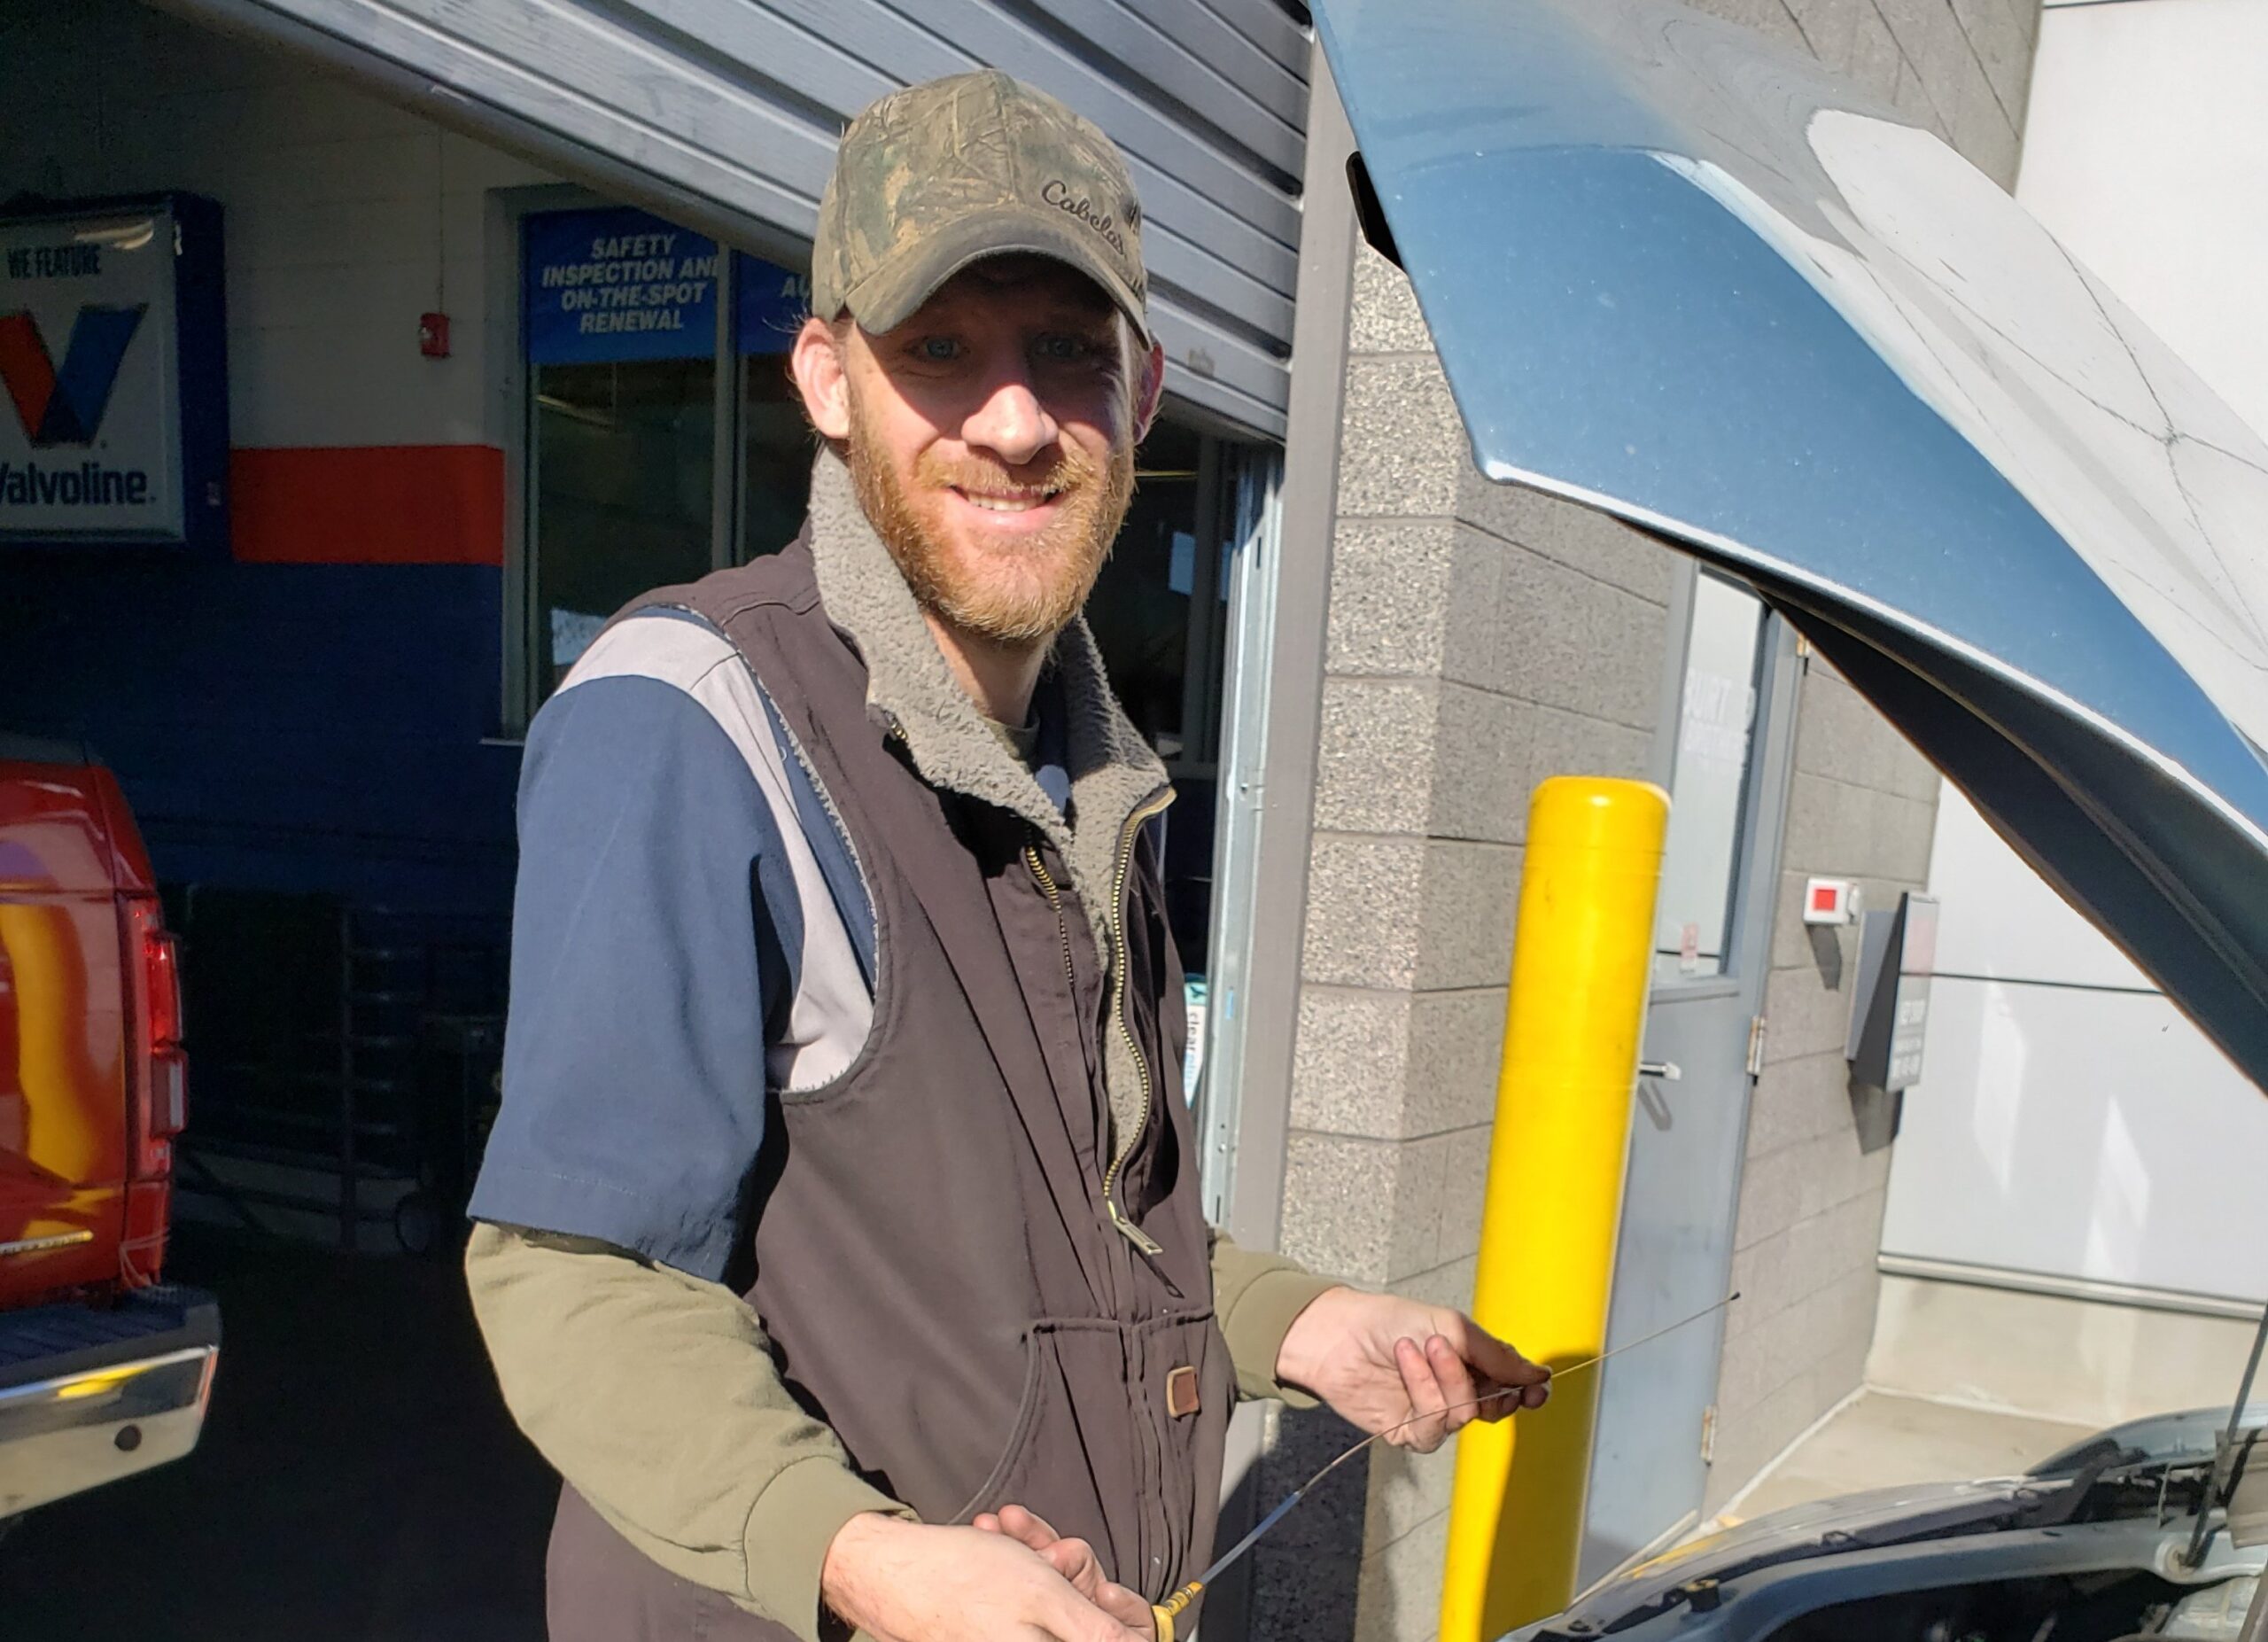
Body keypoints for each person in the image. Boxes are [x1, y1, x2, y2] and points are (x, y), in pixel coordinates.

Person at [464, 68, 1550, 1642]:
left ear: (1149, 387)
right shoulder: (695, 717)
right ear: (828, 378)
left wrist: (1301, 1322)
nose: (1020, 420)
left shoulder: (1096, 776)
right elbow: (573, 1272)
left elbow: (1054, 1249)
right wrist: (866, 1553)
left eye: (1067, 352)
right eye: (941, 351)